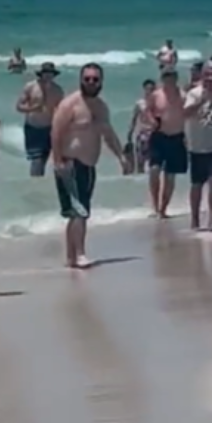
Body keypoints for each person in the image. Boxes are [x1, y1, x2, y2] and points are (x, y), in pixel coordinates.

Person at [50, 62, 132, 269]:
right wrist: (58, 160)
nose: (91, 82)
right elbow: (55, 132)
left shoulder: (101, 107)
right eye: (87, 79)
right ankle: (79, 254)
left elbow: (108, 134)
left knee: (78, 212)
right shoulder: (70, 104)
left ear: (101, 81)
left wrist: (121, 156)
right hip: (70, 164)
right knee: (80, 211)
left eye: (95, 79)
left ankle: (71, 257)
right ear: (81, 80)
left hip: (88, 166)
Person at [147, 67, 189, 218]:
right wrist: (151, 121)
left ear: (176, 78)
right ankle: (154, 205)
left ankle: (163, 209)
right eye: (166, 76)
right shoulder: (156, 95)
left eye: (171, 76)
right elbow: (148, 111)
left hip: (176, 137)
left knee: (170, 176)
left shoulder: (183, 96)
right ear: (162, 78)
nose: (169, 79)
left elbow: (190, 114)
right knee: (154, 171)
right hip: (159, 136)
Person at [16, 62, 64, 177]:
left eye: (50, 73)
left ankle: (37, 186)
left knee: (43, 161)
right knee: (36, 160)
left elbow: (62, 112)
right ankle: (34, 184)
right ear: (41, 74)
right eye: (46, 73)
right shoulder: (30, 87)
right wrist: (32, 108)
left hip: (49, 130)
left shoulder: (58, 91)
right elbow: (18, 106)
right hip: (33, 128)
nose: (48, 76)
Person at [184, 60, 212, 230]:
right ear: (202, 74)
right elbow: (185, 113)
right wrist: (202, 100)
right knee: (197, 184)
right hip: (197, 146)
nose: (211, 77)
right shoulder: (194, 94)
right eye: (208, 73)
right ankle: (195, 219)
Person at [126, 78, 157, 174]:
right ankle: (140, 181)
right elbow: (134, 119)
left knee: (155, 161)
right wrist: (130, 133)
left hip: (155, 134)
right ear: (144, 89)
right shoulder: (140, 103)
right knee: (140, 161)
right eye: (148, 89)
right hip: (143, 134)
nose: (150, 91)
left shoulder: (158, 103)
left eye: (152, 89)